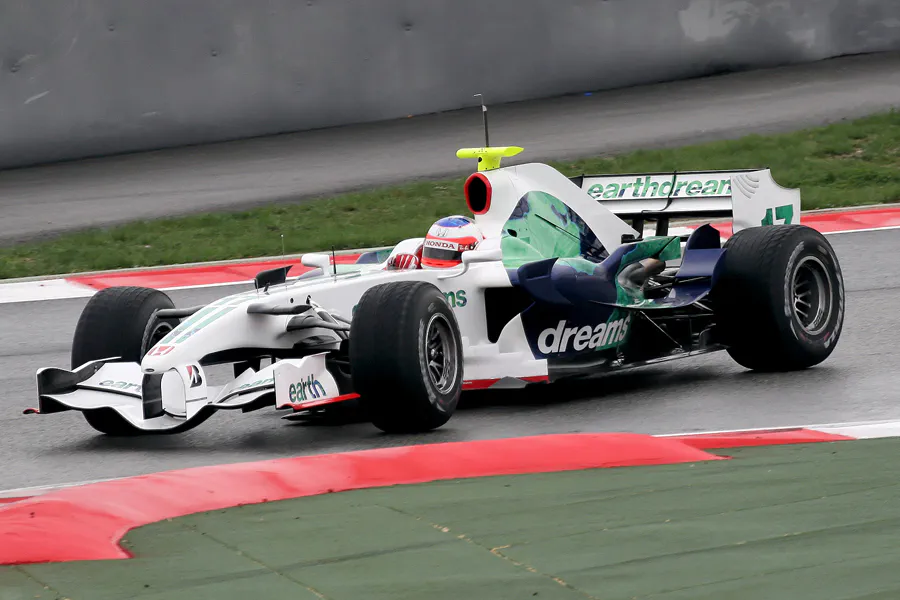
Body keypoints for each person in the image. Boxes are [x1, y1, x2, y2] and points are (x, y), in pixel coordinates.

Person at [386, 216, 484, 270]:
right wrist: (394, 269)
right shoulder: (413, 265)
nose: (438, 260)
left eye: (446, 254)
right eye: (433, 252)